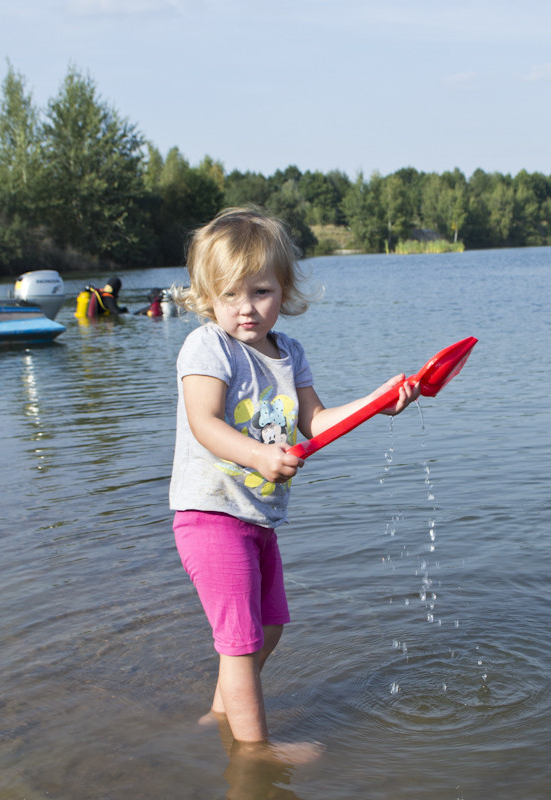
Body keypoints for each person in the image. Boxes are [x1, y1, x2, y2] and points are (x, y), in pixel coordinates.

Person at [169, 207, 417, 759]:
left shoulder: (290, 354)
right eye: (230, 294)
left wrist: (379, 403)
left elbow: (316, 422)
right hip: (210, 515)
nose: (246, 308)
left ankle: (218, 712)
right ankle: (256, 753)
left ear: (284, 291)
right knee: (241, 643)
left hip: (258, 519)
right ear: (208, 295)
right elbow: (203, 422)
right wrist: (258, 455)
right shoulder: (208, 347)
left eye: (260, 291)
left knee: (271, 627)